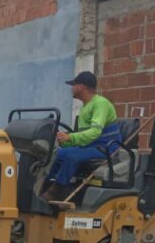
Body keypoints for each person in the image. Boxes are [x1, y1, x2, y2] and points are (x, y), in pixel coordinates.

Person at [42, 71, 118, 201]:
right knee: (58, 154)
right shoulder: (85, 106)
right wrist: (64, 140)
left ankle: (57, 192)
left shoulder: (101, 104)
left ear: (81, 86)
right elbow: (84, 137)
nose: (71, 88)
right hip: (91, 146)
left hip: (105, 147)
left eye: (74, 85)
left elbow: (95, 132)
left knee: (72, 157)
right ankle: (44, 186)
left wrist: (70, 137)